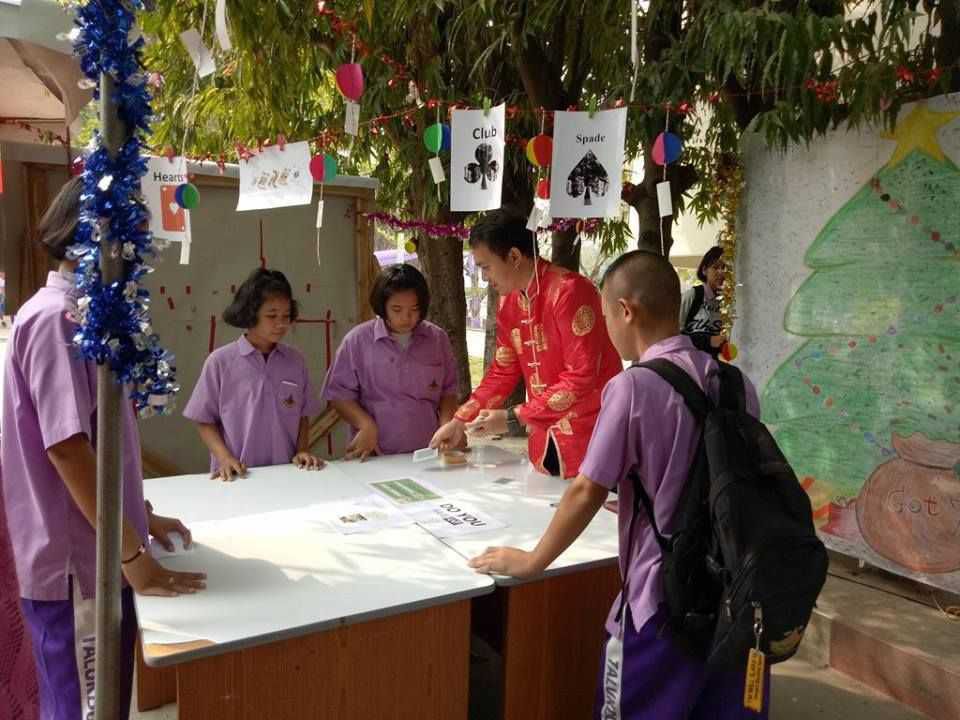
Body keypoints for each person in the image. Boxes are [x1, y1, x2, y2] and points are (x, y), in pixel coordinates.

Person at [467, 250, 769, 719]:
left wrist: (532, 561)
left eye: (606, 315)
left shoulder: (632, 387)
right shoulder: (736, 382)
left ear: (626, 311)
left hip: (663, 600)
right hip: (737, 594)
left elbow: (587, 489)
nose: (606, 328)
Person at [1, 177, 206, 720]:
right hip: (79, 566)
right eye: (133, 239)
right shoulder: (58, 320)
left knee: (104, 702)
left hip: (99, 552)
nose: (140, 257)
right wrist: (133, 557)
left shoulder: (83, 316)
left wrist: (143, 518)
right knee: (87, 708)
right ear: (95, 238)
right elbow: (68, 449)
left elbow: (97, 440)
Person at [430, 212, 621, 478]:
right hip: (545, 440)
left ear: (514, 256)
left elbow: (582, 375)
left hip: (592, 435)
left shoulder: (569, 291)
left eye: (486, 267)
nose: (484, 277)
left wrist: (514, 417)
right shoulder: (510, 302)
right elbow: (503, 371)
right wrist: (460, 420)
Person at [184, 268, 325, 480]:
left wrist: (303, 450)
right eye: (271, 316)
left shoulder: (296, 361)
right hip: (238, 475)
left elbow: (303, 415)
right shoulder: (220, 362)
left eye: (286, 316)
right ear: (250, 314)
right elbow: (203, 420)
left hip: (288, 475)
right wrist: (224, 458)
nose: (281, 323)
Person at [323, 264, 458, 459]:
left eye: (414, 309)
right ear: (382, 306)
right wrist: (365, 424)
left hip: (427, 451)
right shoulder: (357, 341)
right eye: (397, 309)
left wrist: (447, 426)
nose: (406, 318)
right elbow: (337, 395)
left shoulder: (437, 339)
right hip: (373, 453)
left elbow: (448, 391)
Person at [679, 246, 726, 356]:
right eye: (715, 267)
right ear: (704, 270)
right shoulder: (693, 295)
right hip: (689, 360)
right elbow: (673, 335)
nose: (721, 272)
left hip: (712, 362)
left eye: (724, 268)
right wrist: (707, 341)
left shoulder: (728, 303)